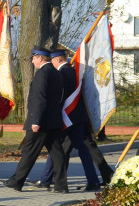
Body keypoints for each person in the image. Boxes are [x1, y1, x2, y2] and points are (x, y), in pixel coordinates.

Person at [34, 50, 113, 191]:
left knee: (56, 149)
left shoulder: (62, 74)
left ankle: (51, 181)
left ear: (57, 60)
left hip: (67, 117)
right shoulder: (74, 72)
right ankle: (92, 180)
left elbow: (60, 96)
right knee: (80, 150)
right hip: (78, 117)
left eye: (51, 61)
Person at [0, 47, 68, 192]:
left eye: (34, 58)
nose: (32, 60)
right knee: (57, 153)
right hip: (53, 120)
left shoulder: (42, 74)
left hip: (41, 122)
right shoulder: (56, 73)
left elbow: (39, 99)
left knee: (29, 152)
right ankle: (61, 185)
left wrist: (36, 120)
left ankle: (17, 181)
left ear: (40, 58)